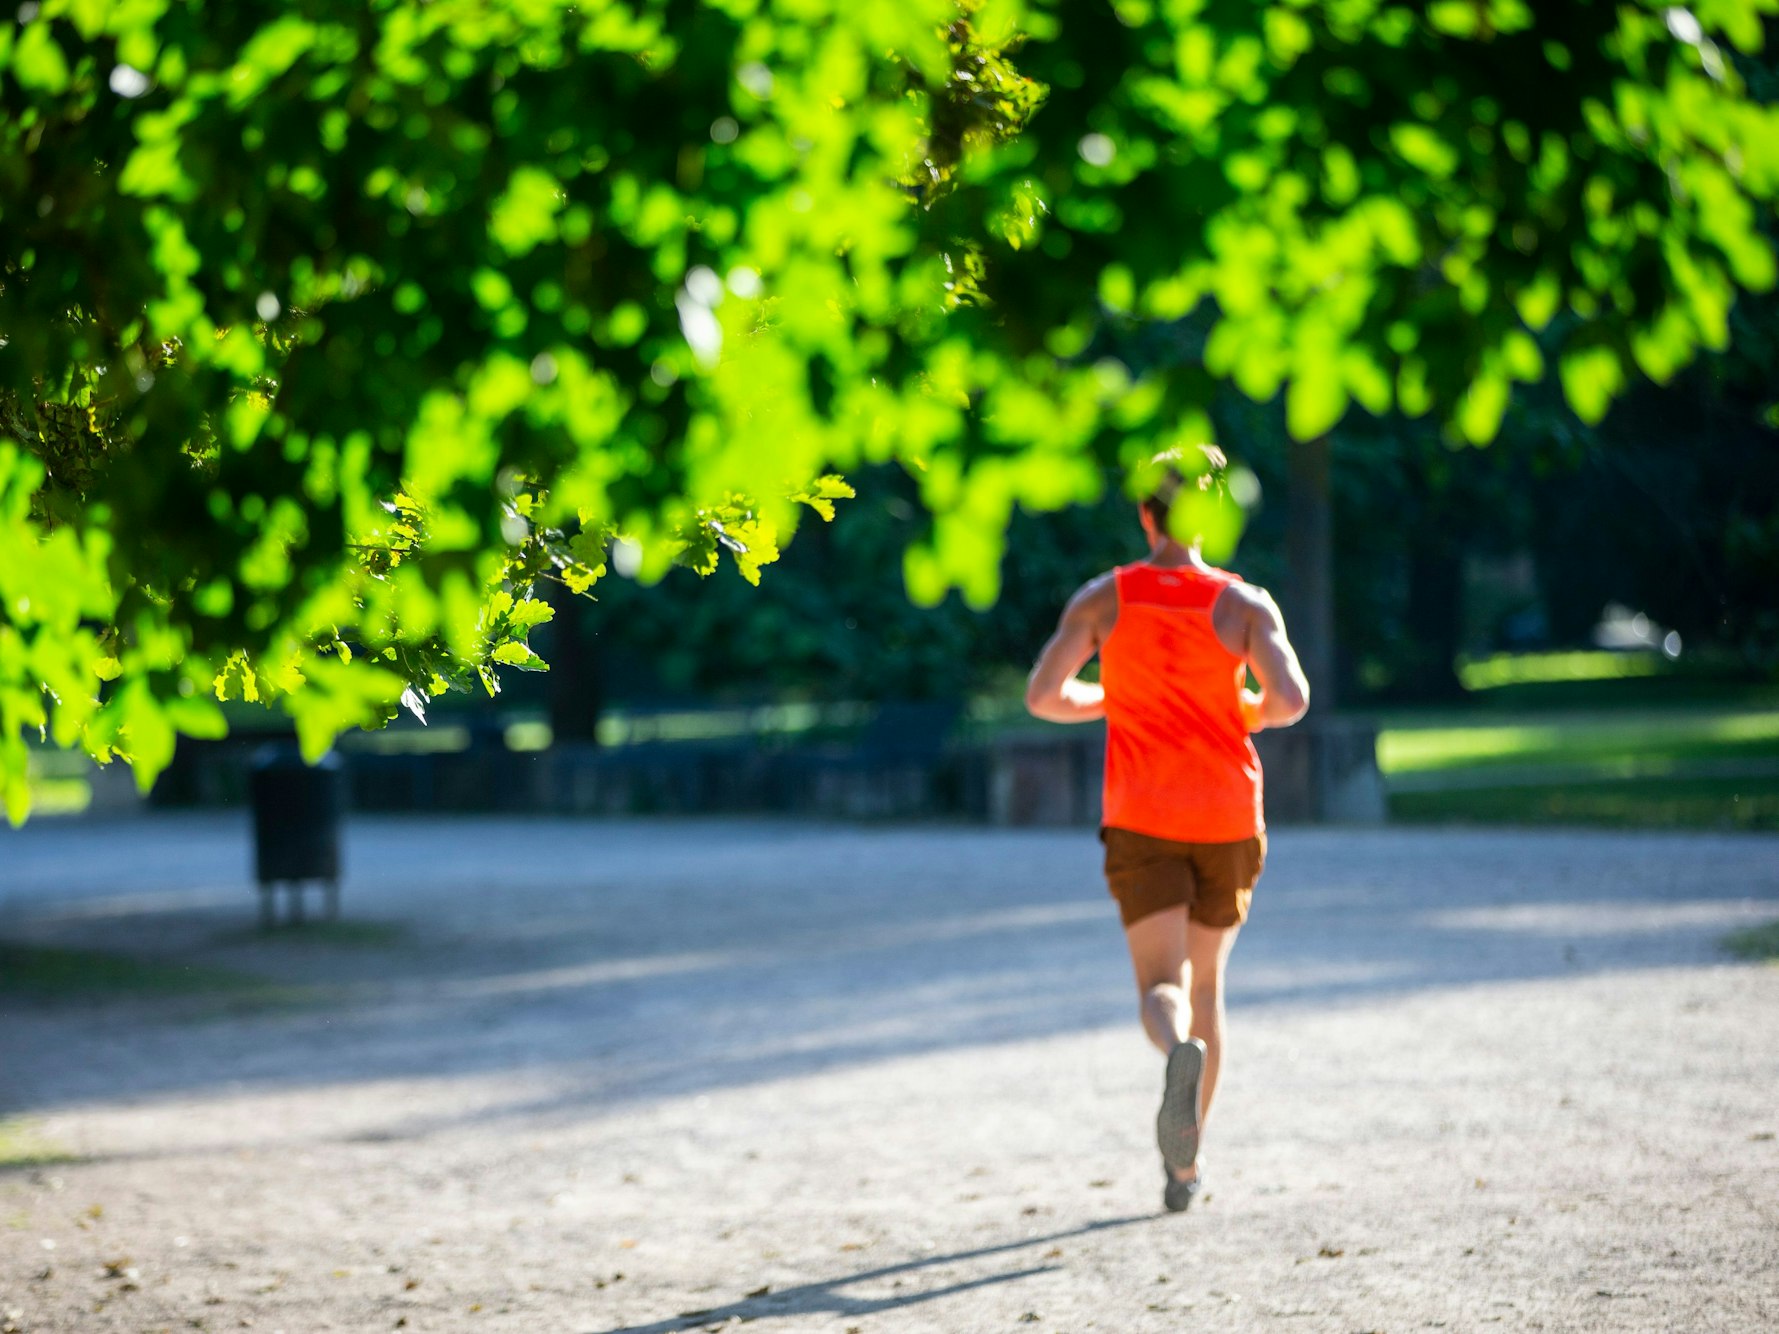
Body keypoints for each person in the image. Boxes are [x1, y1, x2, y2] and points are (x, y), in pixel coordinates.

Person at [1024, 447, 1310, 1212]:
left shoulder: (1103, 598)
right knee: (1210, 981)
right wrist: (1241, 711)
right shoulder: (1245, 605)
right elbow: (1291, 700)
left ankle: (1172, 1048)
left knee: (1162, 985)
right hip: (1224, 815)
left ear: (1145, 514)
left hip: (1141, 815)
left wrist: (1110, 699)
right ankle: (1185, 1167)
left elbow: (1043, 696)